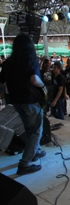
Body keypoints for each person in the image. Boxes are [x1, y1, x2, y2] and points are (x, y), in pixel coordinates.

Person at [0, 34, 46, 175]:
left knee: (28, 128)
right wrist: (43, 86)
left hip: (15, 101)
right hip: (30, 100)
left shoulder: (8, 62)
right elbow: (34, 79)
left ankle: (36, 151)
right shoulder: (30, 60)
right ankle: (25, 163)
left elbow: (1, 81)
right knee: (36, 131)